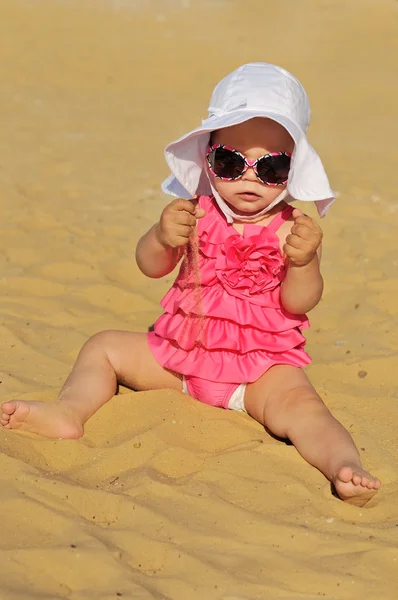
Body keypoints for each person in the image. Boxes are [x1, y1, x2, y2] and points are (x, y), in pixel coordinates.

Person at [0, 63, 380, 505]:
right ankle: (69, 412)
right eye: (230, 161)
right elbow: (150, 266)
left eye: (273, 167)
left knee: (306, 411)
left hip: (258, 373)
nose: (250, 177)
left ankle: (342, 466)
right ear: (208, 158)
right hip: (179, 358)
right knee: (103, 345)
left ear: (295, 171)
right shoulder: (191, 211)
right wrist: (161, 238)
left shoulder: (294, 230)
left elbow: (299, 302)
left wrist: (304, 263)